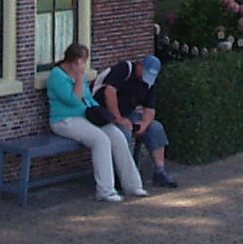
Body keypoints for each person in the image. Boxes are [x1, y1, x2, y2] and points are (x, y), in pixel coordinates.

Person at [45, 43, 145, 202]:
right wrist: (78, 77)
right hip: (65, 120)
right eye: (83, 61)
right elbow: (73, 100)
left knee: (117, 136)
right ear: (76, 61)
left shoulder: (81, 76)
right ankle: (105, 190)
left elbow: (88, 98)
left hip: (86, 116)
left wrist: (102, 114)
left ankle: (132, 184)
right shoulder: (57, 76)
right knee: (101, 140)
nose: (85, 65)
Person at [98, 54, 178, 187]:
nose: (146, 79)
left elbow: (150, 109)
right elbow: (109, 92)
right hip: (105, 113)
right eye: (145, 74)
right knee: (125, 132)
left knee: (156, 128)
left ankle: (159, 171)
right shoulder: (124, 69)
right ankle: (125, 175)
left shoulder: (150, 83)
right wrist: (118, 118)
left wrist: (144, 124)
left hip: (129, 114)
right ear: (140, 66)